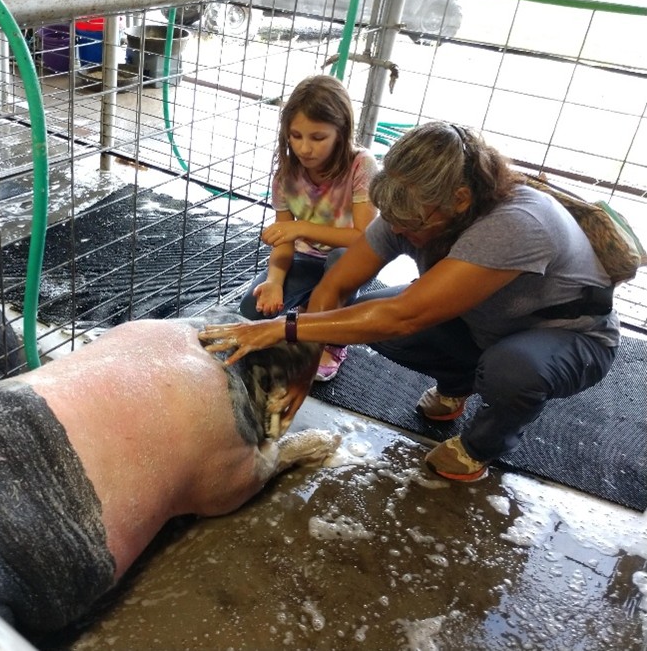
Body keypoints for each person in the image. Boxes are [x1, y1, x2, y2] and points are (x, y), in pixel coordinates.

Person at [201, 121, 619, 482]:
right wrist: (304, 366)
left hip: (566, 337)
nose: (400, 231)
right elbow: (335, 289)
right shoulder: (415, 206)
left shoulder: (516, 223)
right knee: (363, 320)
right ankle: (457, 387)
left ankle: (480, 446)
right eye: (394, 221)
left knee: (510, 371)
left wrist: (281, 328)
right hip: (483, 321)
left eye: (412, 225)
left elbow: (402, 315)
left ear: (459, 200)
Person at [238, 74, 378, 381]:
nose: (305, 148)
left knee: (340, 258)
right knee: (251, 310)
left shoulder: (361, 166)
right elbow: (284, 239)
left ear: (341, 133)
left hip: (352, 261)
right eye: (296, 136)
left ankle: (332, 341)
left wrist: (301, 228)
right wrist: (274, 280)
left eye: (318, 138)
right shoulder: (286, 176)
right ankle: (305, 310)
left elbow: (364, 240)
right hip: (305, 259)